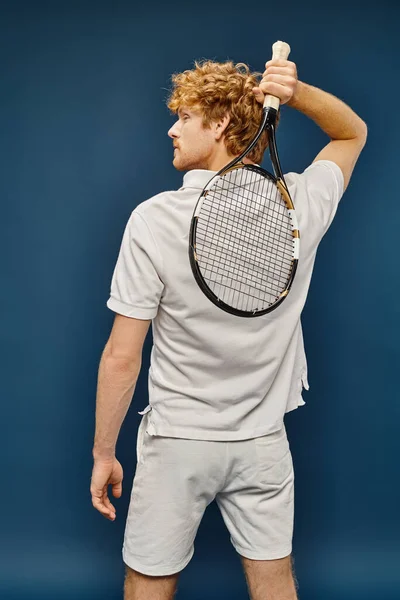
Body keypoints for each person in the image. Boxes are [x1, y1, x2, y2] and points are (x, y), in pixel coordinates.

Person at [90, 54, 367, 600]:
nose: (171, 128)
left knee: (147, 587)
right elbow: (352, 133)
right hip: (263, 443)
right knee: (275, 586)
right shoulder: (298, 207)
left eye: (184, 116)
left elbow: (122, 357)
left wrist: (104, 453)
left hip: (178, 444)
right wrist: (297, 92)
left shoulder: (154, 219)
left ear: (218, 125)